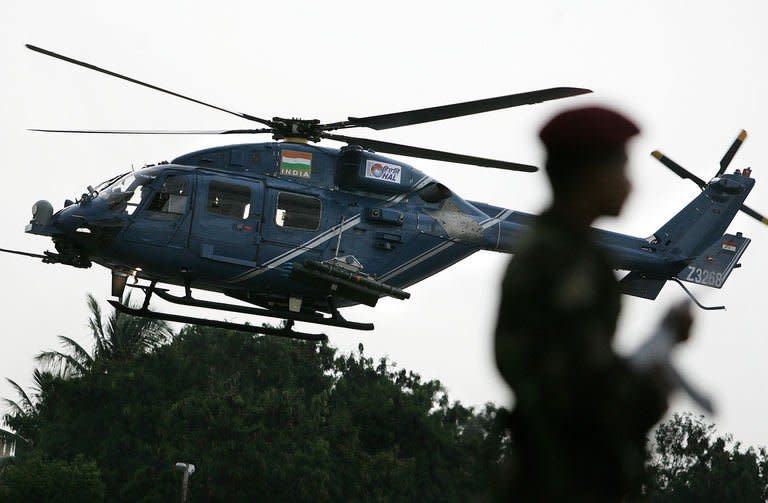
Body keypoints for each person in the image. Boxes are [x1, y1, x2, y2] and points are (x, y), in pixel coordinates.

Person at [494, 106, 693, 502]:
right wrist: (651, 393)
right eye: (621, 168)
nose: (630, 184)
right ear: (586, 174)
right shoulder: (561, 261)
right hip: (563, 479)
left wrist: (663, 340)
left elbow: (581, 368)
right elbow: (577, 389)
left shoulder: (572, 255)